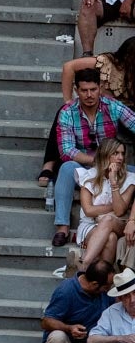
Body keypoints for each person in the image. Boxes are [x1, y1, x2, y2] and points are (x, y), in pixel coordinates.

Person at [51, 69, 135, 247]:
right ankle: (63, 227)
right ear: (76, 89)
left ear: (101, 88)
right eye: (84, 90)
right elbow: (66, 150)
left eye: (93, 89)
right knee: (66, 168)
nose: (89, 95)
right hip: (85, 165)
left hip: (113, 164)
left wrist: (110, 161)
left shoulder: (112, 106)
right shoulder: (67, 112)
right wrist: (99, 161)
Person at [76, 139, 134, 271]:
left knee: (108, 219)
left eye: (122, 153)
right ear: (105, 154)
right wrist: (111, 208)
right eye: (115, 153)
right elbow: (88, 210)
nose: (120, 157)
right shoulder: (89, 176)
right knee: (111, 238)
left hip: (118, 223)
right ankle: (103, 281)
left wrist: (114, 182)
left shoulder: (130, 178)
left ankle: (84, 265)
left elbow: (119, 211)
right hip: (90, 225)